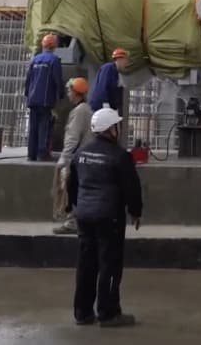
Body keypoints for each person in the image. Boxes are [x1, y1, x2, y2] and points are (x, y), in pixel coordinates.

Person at [66, 106, 143, 328]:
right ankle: (108, 313)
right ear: (111, 129)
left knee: (86, 264)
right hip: (109, 218)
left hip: (84, 216)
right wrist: (135, 212)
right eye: (117, 125)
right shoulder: (120, 156)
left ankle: (82, 312)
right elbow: (132, 188)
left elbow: (72, 184)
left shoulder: (81, 153)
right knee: (109, 265)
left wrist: (75, 206)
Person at [54, 77, 94, 235]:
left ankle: (72, 222)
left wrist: (64, 159)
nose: (68, 94)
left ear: (76, 93)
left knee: (71, 189)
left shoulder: (79, 112)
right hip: (83, 157)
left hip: (77, 159)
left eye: (70, 91)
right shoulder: (85, 109)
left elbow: (72, 138)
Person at [25, 33, 64, 162]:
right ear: (54, 46)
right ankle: (42, 153)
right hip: (46, 100)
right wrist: (60, 95)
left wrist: (27, 95)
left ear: (43, 45)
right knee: (44, 126)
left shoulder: (35, 59)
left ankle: (31, 154)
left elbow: (28, 79)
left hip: (33, 99)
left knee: (33, 127)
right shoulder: (54, 60)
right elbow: (57, 79)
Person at [89, 48, 129, 113]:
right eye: (125, 61)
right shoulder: (108, 68)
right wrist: (105, 104)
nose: (126, 64)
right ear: (119, 59)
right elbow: (102, 86)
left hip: (107, 107)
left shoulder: (116, 72)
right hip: (100, 107)